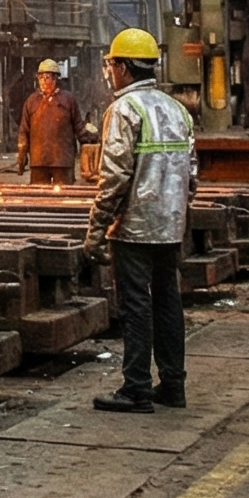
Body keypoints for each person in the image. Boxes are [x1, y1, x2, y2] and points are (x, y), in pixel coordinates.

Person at [84, 27, 196, 415]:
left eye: (112, 64)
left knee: (136, 307)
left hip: (134, 228)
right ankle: (173, 385)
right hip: (169, 226)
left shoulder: (123, 110)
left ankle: (136, 389)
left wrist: (96, 230)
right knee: (168, 302)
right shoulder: (176, 108)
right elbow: (191, 175)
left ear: (125, 68)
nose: (110, 71)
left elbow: (114, 177)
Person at [16, 59, 84, 186]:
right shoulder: (32, 101)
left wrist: (89, 142)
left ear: (55, 79)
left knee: (65, 197)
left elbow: (78, 126)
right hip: (39, 160)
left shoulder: (68, 100)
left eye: (47, 77)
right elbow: (24, 131)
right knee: (39, 197)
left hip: (62, 160)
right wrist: (22, 154)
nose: (43, 81)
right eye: (40, 77)